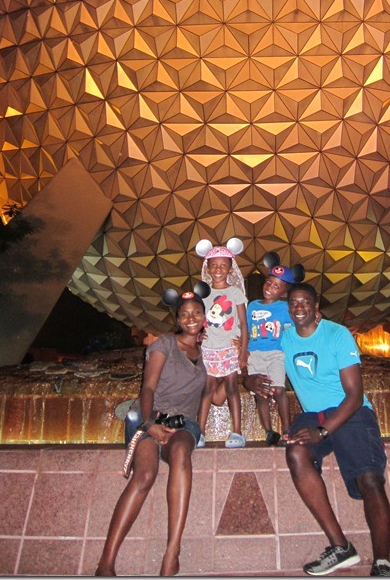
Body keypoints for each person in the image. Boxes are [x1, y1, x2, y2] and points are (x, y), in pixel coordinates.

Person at [249, 282, 390, 577]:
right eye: (293, 303)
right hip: (312, 415)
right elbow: (254, 352)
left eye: (305, 302)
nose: (298, 307)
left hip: (350, 411)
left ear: (316, 307)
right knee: (296, 453)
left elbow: (354, 395)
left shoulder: (337, 334)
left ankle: (382, 562)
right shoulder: (283, 338)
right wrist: (247, 378)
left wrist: (323, 432)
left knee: (369, 479)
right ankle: (341, 547)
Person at [95, 290, 207, 577]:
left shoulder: (208, 353)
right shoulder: (164, 344)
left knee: (181, 450)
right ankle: (106, 563)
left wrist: (244, 372)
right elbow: (148, 387)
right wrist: (148, 424)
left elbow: (216, 395)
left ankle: (172, 552)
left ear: (205, 317)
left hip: (184, 423)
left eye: (196, 313)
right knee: (144, 475)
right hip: (151, 416)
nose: (191, 318)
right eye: (184, 314)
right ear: (178, 319)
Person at [196, 241, 249, 448]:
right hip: (209, 348)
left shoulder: (235, 292)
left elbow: (243, 323)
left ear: (230, 269)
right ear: (208, 268)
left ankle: (237, 432)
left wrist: (243, 351)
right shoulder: (203, 293)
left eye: (223, 265)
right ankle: (199, 433)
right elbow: (198, 319)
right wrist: (199, 335)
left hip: (229, 347)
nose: (218, 270)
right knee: (208, 388)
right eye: (214, 265)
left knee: (232, 387)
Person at [245, 263, 295, 445]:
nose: (269, 288)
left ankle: (287, 429)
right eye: (268, 282)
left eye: (276, 286)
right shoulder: (252, 306)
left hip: (276, 353)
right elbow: (246, 329)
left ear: (283, 292)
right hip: (255, 353)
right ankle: (268, 431)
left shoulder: (285, 307)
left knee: (279, 390)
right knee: (261, 393)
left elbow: (295, 326)